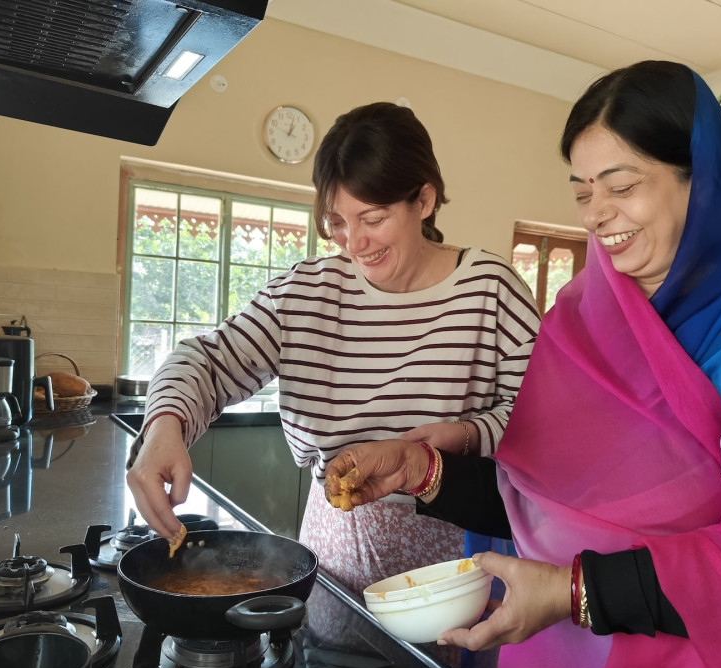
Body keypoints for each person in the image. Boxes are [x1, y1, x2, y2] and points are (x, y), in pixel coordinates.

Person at [323, 61, 721, 668]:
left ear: (702, 179)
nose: (597, 213)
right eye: (582, 192)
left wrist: (576, 593)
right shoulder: (582, 318)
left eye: (622, 186)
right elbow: (541, 502)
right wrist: (422, 472)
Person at [125, 101, 540, 596]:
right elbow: (206, 361)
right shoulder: (306, 293)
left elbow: (539, 426)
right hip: (335, 543)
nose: (355, 243)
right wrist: (162, 427)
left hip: (460, 552)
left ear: (424, 200)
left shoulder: (491, 289)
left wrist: (467, 434)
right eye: (337, 222)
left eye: (373, 218)